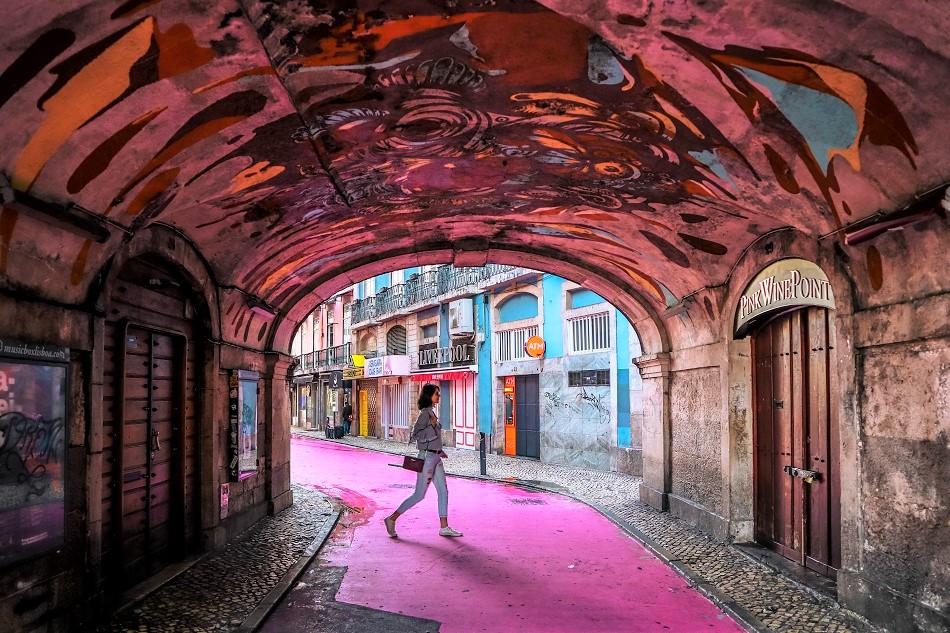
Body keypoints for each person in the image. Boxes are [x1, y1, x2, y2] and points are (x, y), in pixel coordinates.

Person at [383, 384, 462, 538]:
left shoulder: (431, 412)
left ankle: (444, 527)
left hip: (435, 457)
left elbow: (433, 436)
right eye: (436, 394)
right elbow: (415, 435)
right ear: (429, 396)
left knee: (443, 491)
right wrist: (431, 429)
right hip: (426, 458)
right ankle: (391, 519)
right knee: (419, 494)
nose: (439, 396)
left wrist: (439, 450)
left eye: (439, 393)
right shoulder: (424, 414)